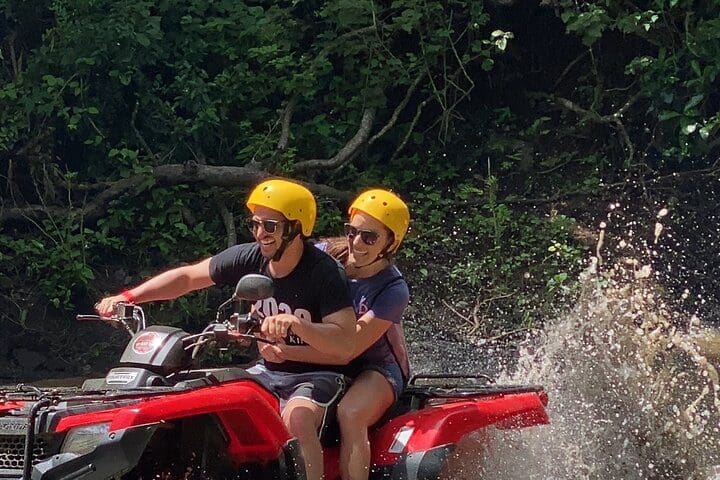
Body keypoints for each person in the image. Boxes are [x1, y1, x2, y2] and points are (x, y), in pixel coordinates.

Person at [95, 178, 357, 480]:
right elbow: (188, 278)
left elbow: (345, 342)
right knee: (209, 401)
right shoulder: (250, 257)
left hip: (315, 374)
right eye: (255, 224)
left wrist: (299, 324)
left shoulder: (324, 272)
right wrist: (128, 297)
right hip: (267, 370)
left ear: (295, 228)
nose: (260, 234)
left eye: (270, 226)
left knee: (298, 419)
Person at [270, 188, 411, 480]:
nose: (356, 242)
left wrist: (287, 352)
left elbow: (349, 348)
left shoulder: (393, 290)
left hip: (374, 366)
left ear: (390, 243)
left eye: (369, 237)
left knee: (351, 413)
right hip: (323, 358)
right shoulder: (323, 255)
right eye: (352, 231)